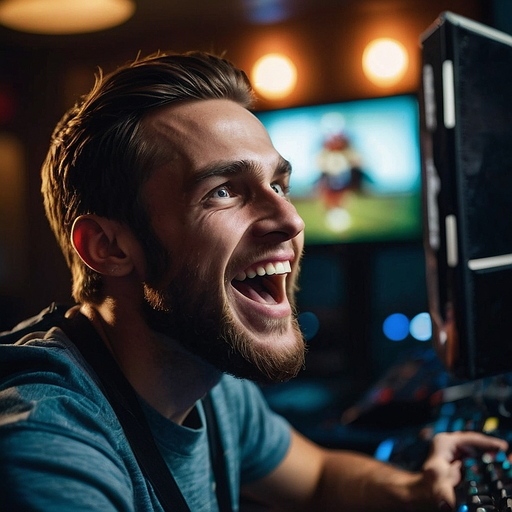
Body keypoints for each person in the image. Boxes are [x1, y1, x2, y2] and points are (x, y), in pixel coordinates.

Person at [0, 51, 507, 512]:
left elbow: (320, 479)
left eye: (279, 185)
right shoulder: (49, 440)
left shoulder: (202, 375)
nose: (291, 220)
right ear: (109, 248)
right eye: (223, 191)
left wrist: (418, 490)